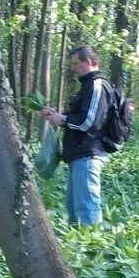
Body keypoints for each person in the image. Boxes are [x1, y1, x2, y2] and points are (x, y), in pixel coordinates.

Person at [43, 45, 111, 226]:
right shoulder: (88, 86)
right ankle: (80, 243)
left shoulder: (97, 85)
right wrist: (58, 116)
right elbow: (82, 116)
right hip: (80, 155)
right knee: (74, 210)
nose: (73, 68)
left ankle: (92, 243)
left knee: (87, 209)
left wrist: (63, 120)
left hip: (88, 154)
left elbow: (89, 122)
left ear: (88, 62)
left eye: (75, 63)